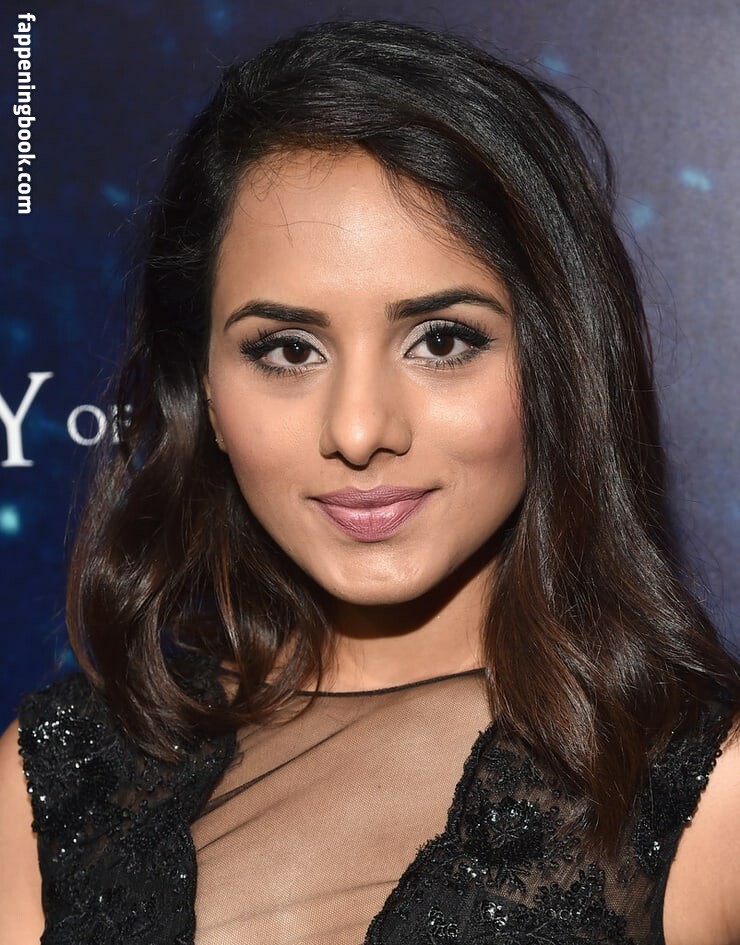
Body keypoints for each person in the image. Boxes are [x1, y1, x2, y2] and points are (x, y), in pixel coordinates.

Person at [1, 16, 739, 945]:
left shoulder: (710, 789)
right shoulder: (55, 780)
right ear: (206, 395)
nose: (358, 431)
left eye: (442, 340)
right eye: (287, 349)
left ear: (560, 360)